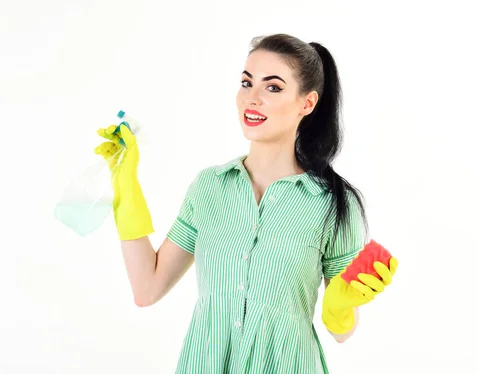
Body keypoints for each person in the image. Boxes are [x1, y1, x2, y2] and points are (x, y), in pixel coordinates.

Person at [94, 33, 398, 374]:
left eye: (273, 87)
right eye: (246, 82)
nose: (251, 99)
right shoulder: (209, 188)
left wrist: (338, 306)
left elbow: (343, 333)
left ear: (307, 103)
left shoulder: (332, 203)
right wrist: (125, 185)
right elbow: (146, 289)